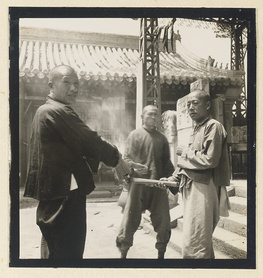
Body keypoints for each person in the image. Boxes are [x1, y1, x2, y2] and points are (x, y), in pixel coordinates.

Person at [24, 65, 120, 260]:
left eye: (76, 84)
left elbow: (81, 146)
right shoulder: (56, 111)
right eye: (66, 82)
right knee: (68, 255)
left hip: (57, 194)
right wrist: (117, 160)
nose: (73, 88)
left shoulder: (47, 111)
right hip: (64, 196)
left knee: (54, 251)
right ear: (51, 85)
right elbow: (89, 140)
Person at [161, 90, 230, 259]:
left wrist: (185, 152)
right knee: (196, 241)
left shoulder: (213, 126)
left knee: (196, 244)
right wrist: (172, 179)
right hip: (192, 188)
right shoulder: (196, 128)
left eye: (195, 103)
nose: (190, 108)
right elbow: (188, 164)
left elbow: (210, 160)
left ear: (207, 105)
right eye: (188, 105)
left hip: (204, 188)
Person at [116, 105, 175, 259]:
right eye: (150, 114)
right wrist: (133, 167)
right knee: (129, 221)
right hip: (139, 186)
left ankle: (161, 255)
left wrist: (170, 180)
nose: (153, 117)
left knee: (163, 222)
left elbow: (167, 164)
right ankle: (123, 255)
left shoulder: (162, 138)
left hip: (157, 186)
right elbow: (125, 159)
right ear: (142, 116)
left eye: (156, 115)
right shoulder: (134, 135)